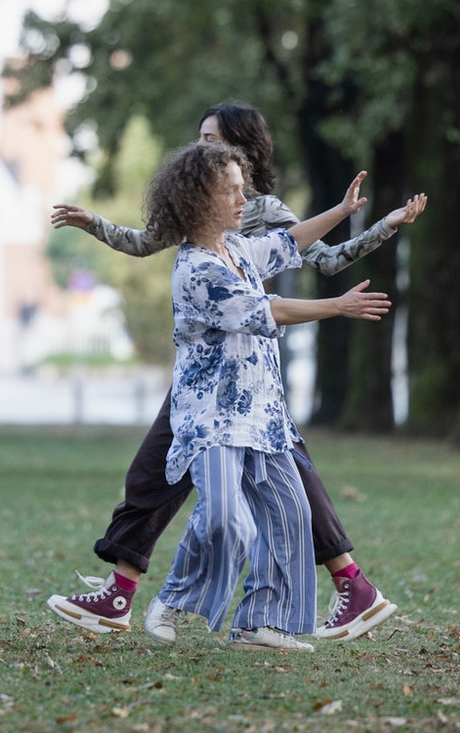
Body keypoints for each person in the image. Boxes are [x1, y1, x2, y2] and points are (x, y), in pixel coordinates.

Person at [47, 101, 425, 644]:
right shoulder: (200, 256)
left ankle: (286, 609)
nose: (202, 149)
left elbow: (302, 250)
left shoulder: (246, 230)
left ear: (241, 156)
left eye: (212, 140)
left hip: (257, 399)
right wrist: (96, 224)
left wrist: (363, 217)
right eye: (199, 141)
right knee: (198, 499)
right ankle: (149, 597)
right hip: (215, 401)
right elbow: (252, 300)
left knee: (289, 502)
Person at [140, 140, 336, 650]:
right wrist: (338, 306)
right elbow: (263, 310)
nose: (242, 199)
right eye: (230, 191)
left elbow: (290, 243)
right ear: (198, 200)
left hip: (263, 415)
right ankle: (173, 600)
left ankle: (260, 624)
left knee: (291, 515)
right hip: (213, 419)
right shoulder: (196, 269)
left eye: (242, 188)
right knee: (227, 517)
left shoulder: (240, 248)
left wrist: (343, 210)